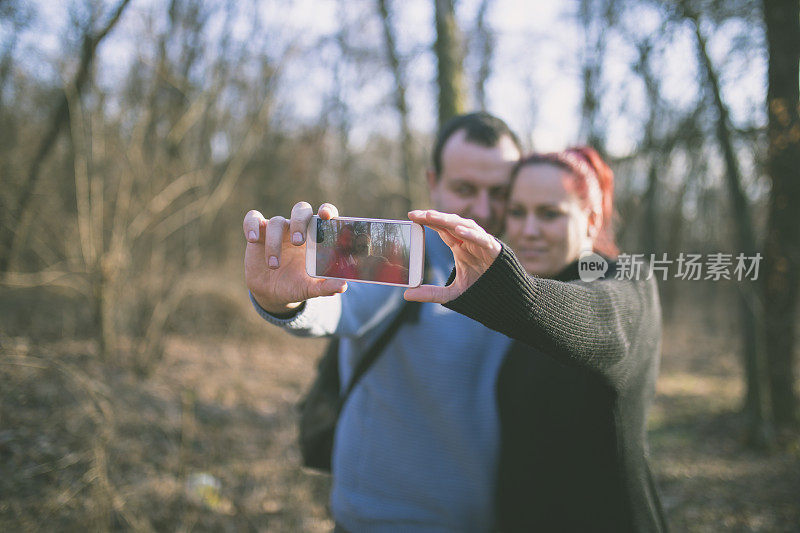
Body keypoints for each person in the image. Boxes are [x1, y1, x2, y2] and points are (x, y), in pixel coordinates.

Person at [243, 112, 522, 531]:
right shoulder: (397, 250)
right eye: (465, 189)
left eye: (499, 192)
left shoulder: (535, 274)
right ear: (434, 182)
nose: (483, 209)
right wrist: (283, 300)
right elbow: (336, 304)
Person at [406, 147, 668, 532]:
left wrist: (509, 289)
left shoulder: (627, 279)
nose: (528, 230)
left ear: (591, 220)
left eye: (549, 214)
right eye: (517, 212)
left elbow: (596, 318)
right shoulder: (526, 300)